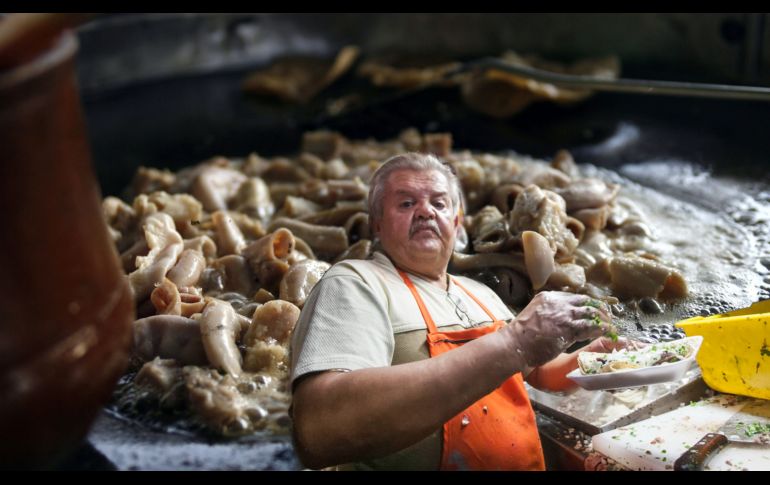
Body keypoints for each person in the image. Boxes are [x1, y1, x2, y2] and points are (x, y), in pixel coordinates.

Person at [289, 152, 625, 471]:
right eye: (406, 203)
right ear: (377, 223)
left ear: (456, 220)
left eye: (438, 202)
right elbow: (320, 430)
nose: (425, 212)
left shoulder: (479, 293)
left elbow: (536, 373)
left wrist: (595, 360)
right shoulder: (356, 282)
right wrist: (514, 341)